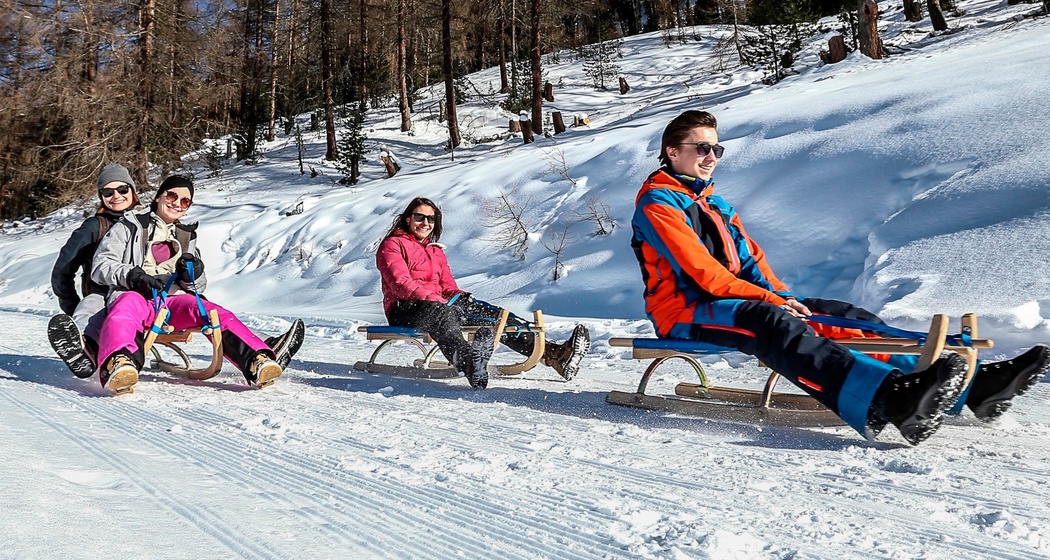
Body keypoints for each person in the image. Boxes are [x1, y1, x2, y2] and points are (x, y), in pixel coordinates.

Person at [631, 110, 1049, 444]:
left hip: (730, 300)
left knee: (843, 312)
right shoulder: (658, 203)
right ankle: (886, 399)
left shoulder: (714, 203)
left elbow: (753, 263)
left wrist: (781, 294)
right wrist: (775, 304)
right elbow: (702, 273)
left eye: (716, 149)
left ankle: (971, 388)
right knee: (772, 323)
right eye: (701, 147)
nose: (711, 156)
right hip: (684, 310)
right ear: (671, 152)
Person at [88, 175, 304, 393]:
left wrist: (193, 274)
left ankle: (256, 359)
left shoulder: (186, 236)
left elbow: (197, 287)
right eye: (172, 195)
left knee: (214, 313)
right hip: (135, 294)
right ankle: (120, 362)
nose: (177, 203)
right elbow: (101, 265)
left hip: (172, 300)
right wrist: (133, 276)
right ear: (158, 197)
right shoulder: (129, 226)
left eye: (185, 201)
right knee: (123, 311)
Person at [375, 197, 590, 390]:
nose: (425, 223)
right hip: (405, 308)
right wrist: (437, 299)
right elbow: (400, 283)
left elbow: (447, 285)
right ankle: (469, 362)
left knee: (495, 315)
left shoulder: (435, 251)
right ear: (407, 219)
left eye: (430, 219)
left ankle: (554, 355)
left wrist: (460, 297)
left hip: (441, 305)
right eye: (420, 217)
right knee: (442, 313)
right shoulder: (392, 245)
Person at [48, 164, 142, 378]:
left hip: (139, 294)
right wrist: (72, 307)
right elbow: (63, 270)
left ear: (133, 191)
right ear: (101, 197)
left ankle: (117, 355)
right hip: (102, 292)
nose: (116, 196)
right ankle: (81, 350)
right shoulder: (94, 227)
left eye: (122, 189)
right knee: (90, 311)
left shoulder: (147, 223)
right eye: (108, 192)